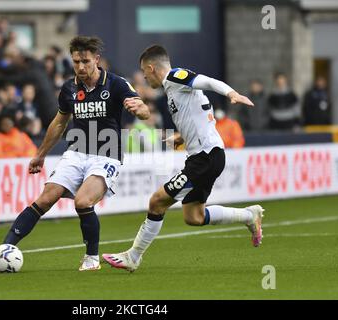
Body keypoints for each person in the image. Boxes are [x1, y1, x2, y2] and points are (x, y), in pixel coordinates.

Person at [0, 36, 150, 271]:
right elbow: (59, 123)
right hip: (76, 152)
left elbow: (143, 109)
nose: (81, 67)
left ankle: (91, 259)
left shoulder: (116, 84)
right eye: (76, 61)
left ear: (96, 60)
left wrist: (140, 109)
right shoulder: (70, 88)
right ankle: (3, 248)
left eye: (86, 61)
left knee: (82, 201)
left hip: (106, 154)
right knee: (45, 198)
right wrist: (40, 154)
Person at [102, 45, 264, 272]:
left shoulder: (176, 76)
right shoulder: (172, 89)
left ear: (151, 67)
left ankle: (133, 256)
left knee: (157, 201)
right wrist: (182, 137)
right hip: (206, 156)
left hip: (205, 157)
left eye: (144, 72)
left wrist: (231, 94)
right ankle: (249, 215)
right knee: (194, 216)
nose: (145, 77)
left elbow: (207, 81)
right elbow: (200, 116)